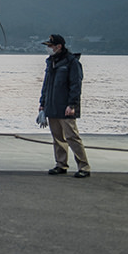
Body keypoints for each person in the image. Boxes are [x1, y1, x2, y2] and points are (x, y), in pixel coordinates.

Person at [38, 34, 90, 178]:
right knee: (57, 138)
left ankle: (84, 166)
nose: (48, 49)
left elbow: (76, 85)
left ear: (58, 46)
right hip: (52, 106)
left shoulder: (72, 62)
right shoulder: (50, 62)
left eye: (50, 46)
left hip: (66, 107)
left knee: (72, 137)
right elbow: (46, 85)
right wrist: (42, 103)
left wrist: (72, 104)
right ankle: (61, 164)